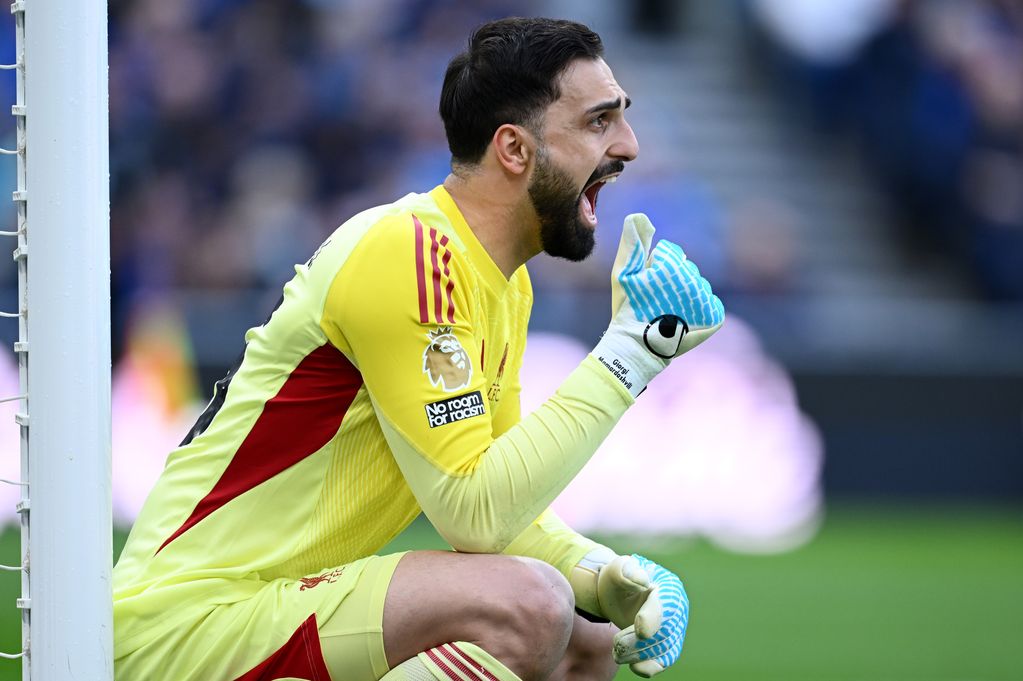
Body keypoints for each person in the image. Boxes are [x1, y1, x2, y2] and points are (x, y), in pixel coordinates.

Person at [113, 16, 724, 681]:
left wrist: (605, 576)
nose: (629, 146)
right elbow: (476, 511)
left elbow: (497, 514)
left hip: (264, 612)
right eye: (599, 122)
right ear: (514, 150)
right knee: (529, 606)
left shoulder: (499, 283)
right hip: (185, 627)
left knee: (587, 637)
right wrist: (632, 351)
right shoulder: (412, 252)